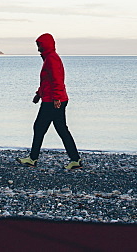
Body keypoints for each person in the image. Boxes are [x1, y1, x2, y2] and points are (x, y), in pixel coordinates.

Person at [17, 33, 82, 170]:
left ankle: (33, 159)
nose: (38, 48)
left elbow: (57, 79)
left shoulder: (52, 59)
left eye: (39, 45)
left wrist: (57, 98)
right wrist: (38, 95)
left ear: (46, 44)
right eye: (37, 45)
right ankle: (75, 159)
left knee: (40, 127)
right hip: (52, 99)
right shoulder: (49, 58)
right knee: (58, 129)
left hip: (53, 101)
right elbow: (46, 81)